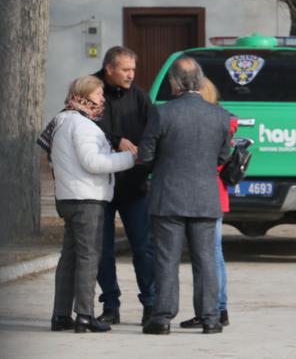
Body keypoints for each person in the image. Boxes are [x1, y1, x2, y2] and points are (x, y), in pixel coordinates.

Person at [139, 57, 232, 335]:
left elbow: (146, 155)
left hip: (168, 197)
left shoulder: (162, 113)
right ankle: (210, 318)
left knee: (167, 260)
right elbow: (223, 156)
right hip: (205, 196)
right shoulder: (220, 116)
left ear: (174, 82)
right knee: (206, 260)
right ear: (200, 81)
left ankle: (162, 318)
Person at [39, 76, 136, 332]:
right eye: (98, 94)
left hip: (69, 198)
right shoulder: (82, 125)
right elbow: (92, 162)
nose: (102, 99)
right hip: (86, 200)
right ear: (84, 96)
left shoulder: (62, 120)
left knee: (70, 258)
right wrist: (129, 159)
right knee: (88, 257)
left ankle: (61, 315)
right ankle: (85, 314)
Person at [93, 46, 156, 326]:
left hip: (134, 186)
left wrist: (148, 161)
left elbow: (154, 129)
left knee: (143, 248)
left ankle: (151, 303)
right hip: (99, 187)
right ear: (109, 69)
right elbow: (83, 127)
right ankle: (110, 305)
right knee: (103, 251)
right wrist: (115, 139)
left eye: (133, 69)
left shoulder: (139, 95)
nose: (131, 75)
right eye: (125, 70)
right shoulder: (91, 91)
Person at [180, 78, 236, 329]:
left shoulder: (211, 124)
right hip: (215, 194)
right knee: (214, 253)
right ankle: (218, 307)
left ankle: (215, 308)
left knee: (210, 254)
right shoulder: (223, 122)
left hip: (207, 193)